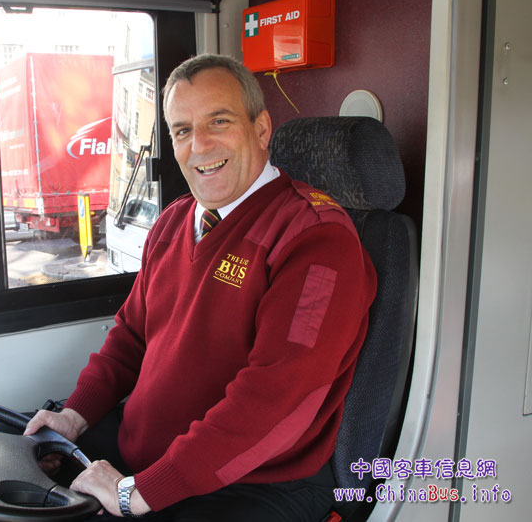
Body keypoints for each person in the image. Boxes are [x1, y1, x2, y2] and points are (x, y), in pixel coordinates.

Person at [24, 54, 377, 521]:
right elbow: (131, 337)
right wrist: (75, 416)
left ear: (261, 129)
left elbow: (275, 398)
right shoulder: (173, 221)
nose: (200, 145)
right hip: (144, 454)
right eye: (182, 130)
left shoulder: (317, 238)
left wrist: (141, 492)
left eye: (219, 121)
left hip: (249, 482)